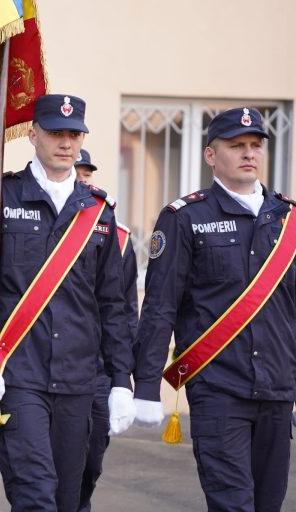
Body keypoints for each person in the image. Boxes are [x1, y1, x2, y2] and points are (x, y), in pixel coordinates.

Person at [0, 94, 136, 511]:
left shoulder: (98, 211)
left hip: (80, 379)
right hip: (20, 375)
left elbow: (114, 304)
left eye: (74, 134)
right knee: (34, 494)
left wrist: (120, 379)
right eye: (56, 132)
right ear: (33, 134)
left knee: (71, 496)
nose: (66, 142)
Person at [133, 107, 296, 511]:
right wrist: (147, 387)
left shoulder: (289, 219)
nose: (248, 153)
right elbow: (159, 307)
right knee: (232, 505)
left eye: (256, 145)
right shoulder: (185, 218)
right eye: (236, 145)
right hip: (219, 391)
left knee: (268, 505)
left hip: (278, 390)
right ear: (210, 155)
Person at [73, 148, 139, 512]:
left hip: (99, 366)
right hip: (50, 362)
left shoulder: (116, 234)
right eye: (77, 174)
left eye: (87, 175)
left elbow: (125, 308)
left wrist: (123, 375)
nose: (82, 180)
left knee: (91, 458)